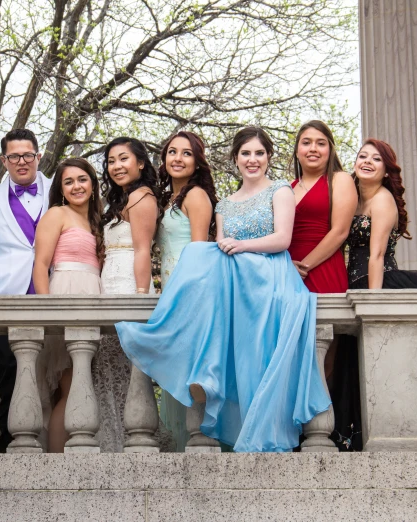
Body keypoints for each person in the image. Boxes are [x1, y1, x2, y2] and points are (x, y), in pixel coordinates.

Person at [116, 127, 330, 452]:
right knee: (199, 254)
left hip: (272, 279)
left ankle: (265, 429)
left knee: (260, 352)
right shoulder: (225, 205)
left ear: (269, 157)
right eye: (246, 153)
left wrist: (241, 245)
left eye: (259, 153)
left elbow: (282, 240)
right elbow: (219, 247)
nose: (252, 160)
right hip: (237, 286)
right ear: (235, 159)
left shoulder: (281, 191)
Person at [329, 138, 417, 450]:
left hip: (382, 282)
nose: (367, 162)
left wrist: (372, 306)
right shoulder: (354, 197)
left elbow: (375, 256)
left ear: (387, 170)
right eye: (363, 156)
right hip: (355, 284)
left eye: (376, 159)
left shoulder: (382, 200)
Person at [0, 128, 53, 453]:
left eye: (27, 155)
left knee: (52, 383)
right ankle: (9, 453)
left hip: (52, 298)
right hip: (2, 302)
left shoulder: (59, 190)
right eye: (14, 156)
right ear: (4, 160)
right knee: (10, 384)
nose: (21, 161)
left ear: (38, 156)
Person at [32, 158, 105, 452]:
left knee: (87, 383)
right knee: (69, 384)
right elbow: (40, 265)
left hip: (95, 295)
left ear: (92, 183)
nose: (77, 186)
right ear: (61, 189)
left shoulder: (99, 219)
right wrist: (48, 310)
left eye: (82, 179)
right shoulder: (56, 214)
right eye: (69, 181)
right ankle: (58, 460)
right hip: (66, 292)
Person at [95, 136, 161, 452]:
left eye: (123, 158)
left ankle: (124, 443)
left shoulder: (142, 198)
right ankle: (110, 442)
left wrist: (138, 296)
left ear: (141, 163)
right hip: (109, 283)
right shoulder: (121, 201)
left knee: (123, 371)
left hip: (128, 286)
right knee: (105, 371)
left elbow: (142, 250)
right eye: (111, 160)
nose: (117, 166)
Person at [155, 131, 217, 452]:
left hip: (190, 291)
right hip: (169, 292)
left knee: (193, 372)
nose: (178, 158)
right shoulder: (167, 199)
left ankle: (201, 446)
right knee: (176, 374)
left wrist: (187, 297)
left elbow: (198, 251)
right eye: (172, 152)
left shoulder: (195, 197)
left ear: (197, 163)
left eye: (187, 153)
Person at [287, 121, 357, 383]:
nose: (313, 148)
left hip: (322, 269)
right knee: (292, 355)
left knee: (324, 358)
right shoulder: (287, 187)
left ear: (330, 149)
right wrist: (286, 268)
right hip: (289, 273)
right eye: (306, 143)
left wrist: (302, 266)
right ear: (297, 150)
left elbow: (340, 232)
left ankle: (327, 420)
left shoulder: (340, 180)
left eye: (320, 143)